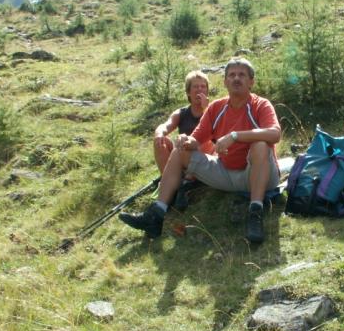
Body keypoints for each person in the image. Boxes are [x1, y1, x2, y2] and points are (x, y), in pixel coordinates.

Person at [119, 57, 281, 245]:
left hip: (258, 176)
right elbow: (196, 140)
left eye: (242, 75)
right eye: (232, 75)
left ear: (251, 82)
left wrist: (235, 136)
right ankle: (156, 214)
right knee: (180, 150)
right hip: (226, 173)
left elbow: (275, 134)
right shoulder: (216, 107)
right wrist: (185, 140)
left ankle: (255, 213)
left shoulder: (261, 105)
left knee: (260, 145)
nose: (236, 78)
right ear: (225, 81)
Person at [153, 70, 214, 174]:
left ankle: (193, 176)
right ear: (188, 92)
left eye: (203, 86)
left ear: (207, 91)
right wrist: (160, 133)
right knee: (160, 141)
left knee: (204, 142)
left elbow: (213, 134)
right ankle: (168, 178)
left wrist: (206, 109)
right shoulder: (181, 113)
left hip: (206, 156)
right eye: (195, 86)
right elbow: (166, 125)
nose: (200, 89)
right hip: (183, 153)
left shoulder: (215, 110)